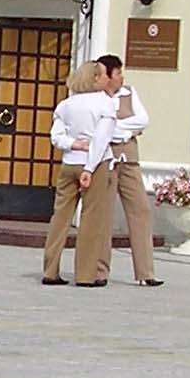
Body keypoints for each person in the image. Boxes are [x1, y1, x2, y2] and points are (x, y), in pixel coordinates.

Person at [41, 60, 119, 287]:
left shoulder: (66, 104)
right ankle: (85, 274)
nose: (107, 79)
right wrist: (89, 168)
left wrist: (74, 144)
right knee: (91, 219)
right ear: (95, 78)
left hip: (68, 163)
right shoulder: (105, 103)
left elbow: (56, 137)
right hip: (94, 164)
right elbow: (102, 140)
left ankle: (50, 269)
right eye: (103, 75)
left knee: (60, 218)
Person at [96, 52, 162, 289]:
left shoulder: (130, 93)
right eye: (118, 72)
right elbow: (97, 128)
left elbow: (142, 120)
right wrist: (124, 130)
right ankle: (99, 271)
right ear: (108, 75)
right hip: (105, 160)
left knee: (140, 210)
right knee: (103, 215)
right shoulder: (94, 97)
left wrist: (117, 129)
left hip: (129, 160)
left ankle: (145, 271)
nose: (122, 77)